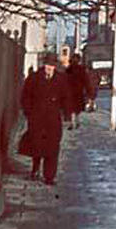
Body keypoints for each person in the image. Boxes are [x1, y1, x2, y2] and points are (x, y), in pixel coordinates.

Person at [20, 51, 71, 185]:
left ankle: (49, 176)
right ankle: (35, 168)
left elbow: (66, 98)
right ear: (44, 65)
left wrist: (67, 114)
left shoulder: (61, 79)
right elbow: (25, 96)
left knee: (53, 147)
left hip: (53, 119)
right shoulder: (34, 78)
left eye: (52, 65)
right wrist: (28, 112)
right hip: (36, 117)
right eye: (48, 65)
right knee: (36, 145)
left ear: (55, 66)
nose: (49, 68)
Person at [65, 53, 89, 128]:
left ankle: (73, 122)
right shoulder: (79, 69)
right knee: (76, 107)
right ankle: (75, 121)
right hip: (77, 90)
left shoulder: (69, 69)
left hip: (73, 90)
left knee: (72, 107)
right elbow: (85, 80)